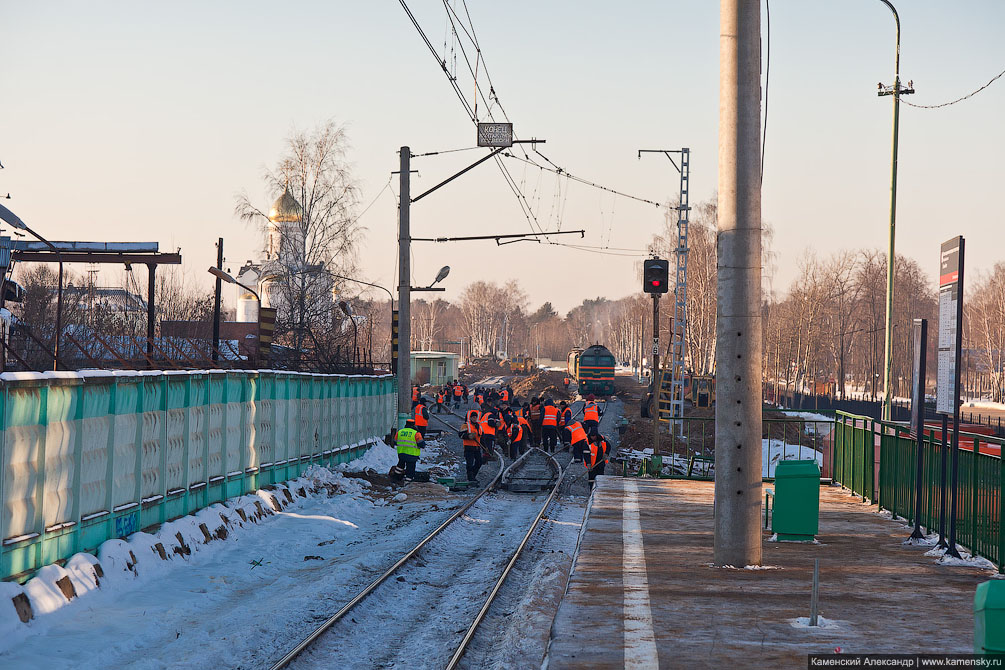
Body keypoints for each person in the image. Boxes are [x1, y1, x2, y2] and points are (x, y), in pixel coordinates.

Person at [459, 411, 482, 483]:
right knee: (469, 463)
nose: (474, 419)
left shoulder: (479, 426)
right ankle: (471, 478)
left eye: (476, 417)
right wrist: (468, 436)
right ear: (471, 418)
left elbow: (482, 436)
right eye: (473, 417)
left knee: (479, 462)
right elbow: (460, 435)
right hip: (468, 447)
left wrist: (486, 447)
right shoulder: (466, 425)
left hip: (477, 447)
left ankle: (473, 476)